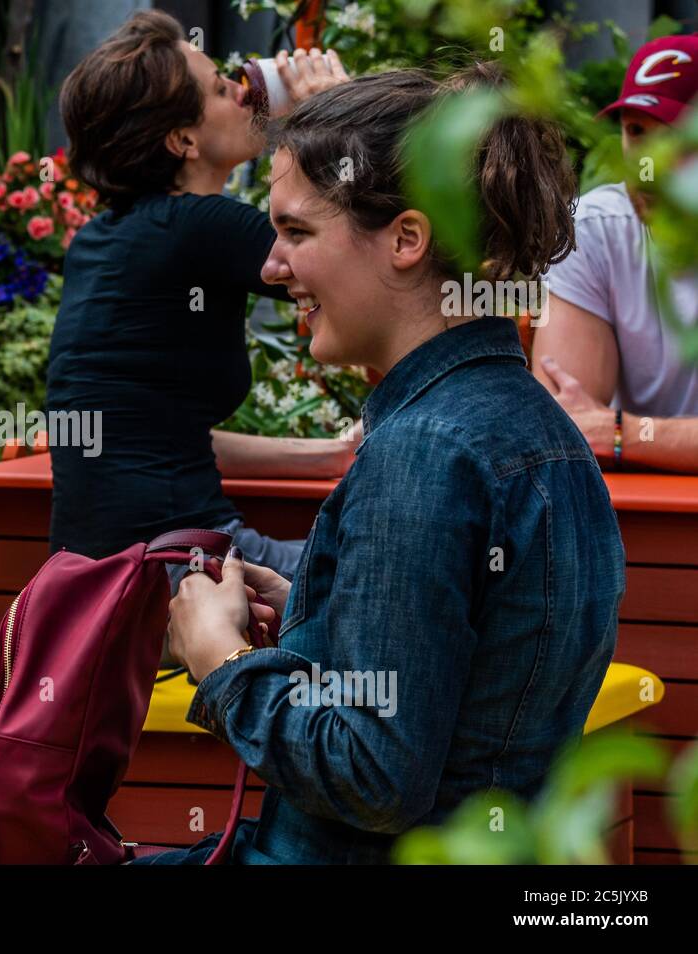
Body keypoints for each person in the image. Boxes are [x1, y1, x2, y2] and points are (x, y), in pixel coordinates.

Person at [138, 64, 624, 863]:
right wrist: (321, 610)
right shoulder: (547, 434)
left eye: (296, 233)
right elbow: (477, 679)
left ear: (406, 239)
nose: (270, 267)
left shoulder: (424, 453)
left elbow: (374, 777)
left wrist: (221, 662)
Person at [47, 10, 356, 579]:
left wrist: (329, 456)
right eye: (220, 89)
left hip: (92, 584)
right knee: (386, 573)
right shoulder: (202, 225)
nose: (245, 94)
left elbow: (152, 436)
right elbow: (363, 270)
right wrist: (334, 117)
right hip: (175, 572)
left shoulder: (100, 239)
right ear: (183, 139)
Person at [533, 34, 698, 473]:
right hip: (639, 505)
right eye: (635, 130)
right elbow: (562, 422)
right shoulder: (593, 228)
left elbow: (594, 429)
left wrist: (620, 432)